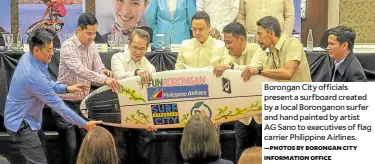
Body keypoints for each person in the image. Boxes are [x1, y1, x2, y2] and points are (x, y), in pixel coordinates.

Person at [3, 29, 102, 164]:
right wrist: (84, 124)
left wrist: (66, 88)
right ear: (37, 50)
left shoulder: (29, 56)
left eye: (52, 48)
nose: (52, 53)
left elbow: (47, 82)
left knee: (42, 151)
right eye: (48, 50)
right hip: (21, 123)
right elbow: (60, 108)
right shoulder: (33, 76)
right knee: (39, 161)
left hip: (29, 119)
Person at [56, 13, 120, 164]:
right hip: (66, 104)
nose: (92, 37)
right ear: (79, 29)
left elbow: (98, 67)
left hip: (84, 103)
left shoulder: (91, 46)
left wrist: (104, 72)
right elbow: (80, 70)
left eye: (94, 33)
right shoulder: (67, 47)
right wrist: (104, 79)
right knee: (71, 147)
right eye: (89, 33)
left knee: (88, 145)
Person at [211, 22, 266, 162]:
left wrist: (231, 67)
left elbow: (251, 71)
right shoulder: (227, 53)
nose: (227, 46)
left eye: (229, 42)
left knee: (262, 155)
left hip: (261, 114)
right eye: (225, 42)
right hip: (241, 115)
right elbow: (224, 79)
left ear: (241, 39)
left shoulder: (258, 49)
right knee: (240, 154)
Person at [111, 28, 157, 163]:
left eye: (142, 48)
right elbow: (119, 77)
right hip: (119, 109)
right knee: (120, 152)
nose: (137, 52)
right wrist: (136, 73)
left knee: (144, 153)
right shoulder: (117, 58)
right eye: (135, 47)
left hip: (140, 111)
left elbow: (150, 95)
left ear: (147, 48)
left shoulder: (150, 68)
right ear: (129, 43)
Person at [241, 16, 312, 82]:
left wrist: (259, 71)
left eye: (260, 34)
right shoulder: (270, 57)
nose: (258, 39)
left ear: (271, 33)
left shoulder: (292, 43)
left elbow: (288, 73)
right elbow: (261, 75)